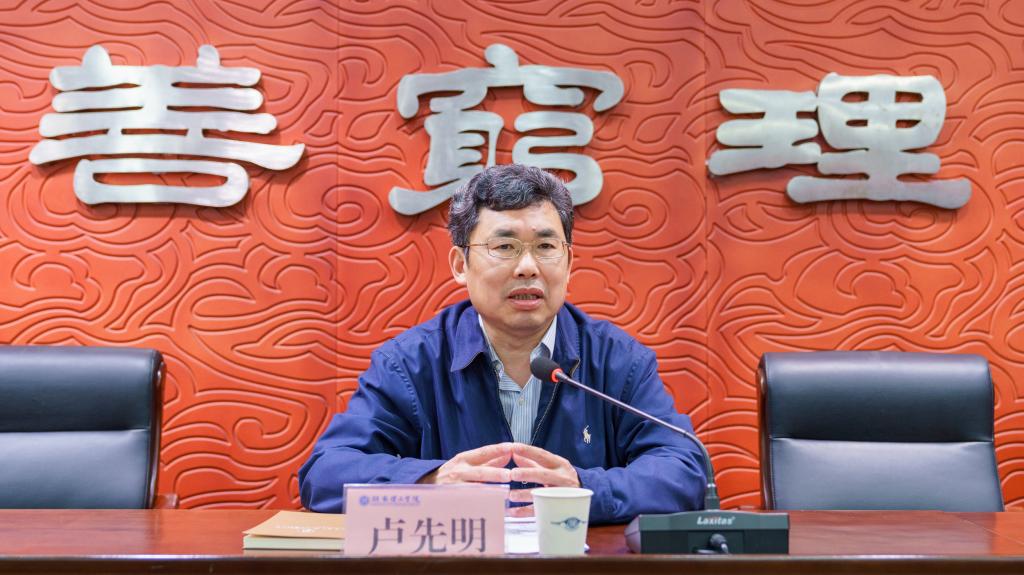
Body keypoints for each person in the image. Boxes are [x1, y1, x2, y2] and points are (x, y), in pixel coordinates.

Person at [299, 164, 706, 524]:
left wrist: (584, 489)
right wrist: (430, 482)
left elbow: (684, 471)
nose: (527, 267)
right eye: (505, 247)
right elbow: (326, 473)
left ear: (568, 262)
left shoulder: (617, 360)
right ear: (460, 265)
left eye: (545, 247)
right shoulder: (410, 364)